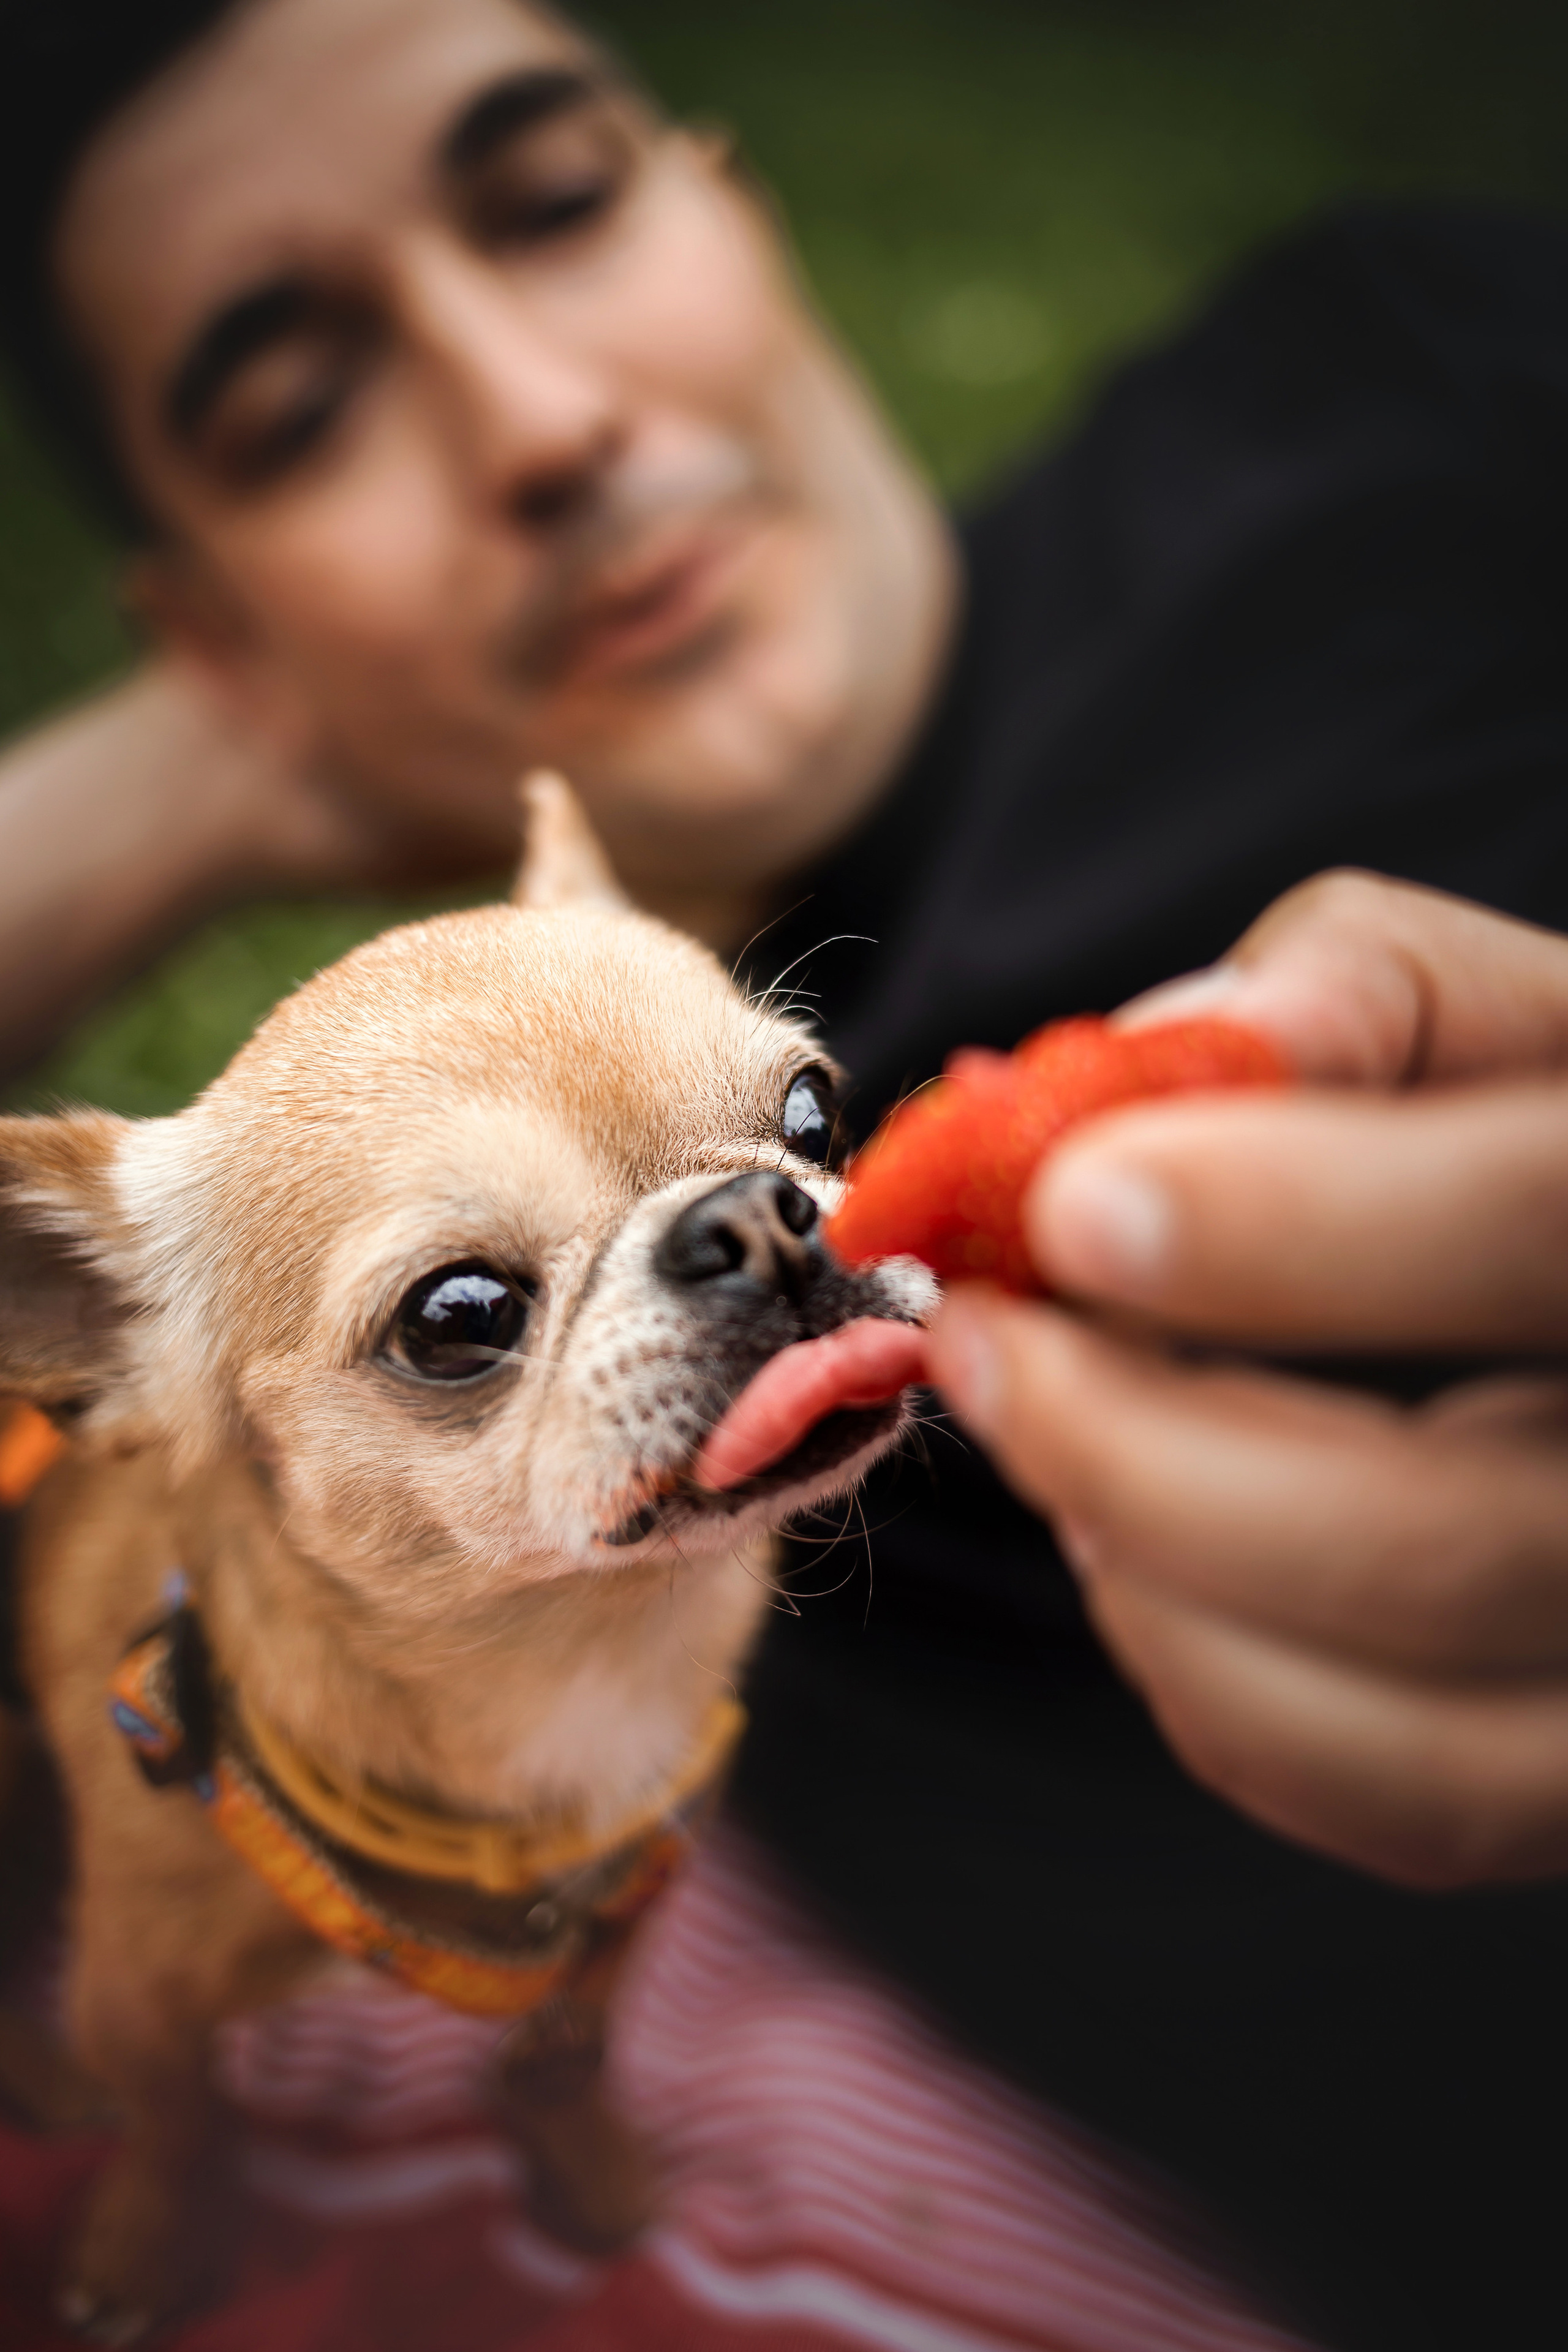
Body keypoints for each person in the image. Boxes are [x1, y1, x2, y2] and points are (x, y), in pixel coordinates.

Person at [1, 1, 1567, 2343]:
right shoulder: (535, 1589)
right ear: (222, 628)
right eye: (297, 411)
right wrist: (202, 772)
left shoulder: (1387, 378)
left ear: (734, 202)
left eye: (558, 200)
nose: (538, 420)